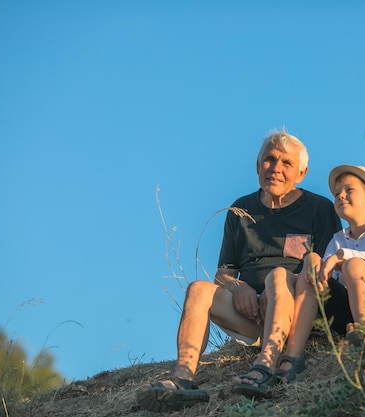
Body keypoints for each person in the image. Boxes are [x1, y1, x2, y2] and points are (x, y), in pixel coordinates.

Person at [136, 130, 341, 412]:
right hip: (252, 313)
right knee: (198, 290)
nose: (276, 169)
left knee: (278, 276)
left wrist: (280, 286)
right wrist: (238, 287)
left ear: (302, 173)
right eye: (269, 160)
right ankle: (183, 380)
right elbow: (224, 272)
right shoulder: (240, 210)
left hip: (295, 313)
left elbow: (327, 268)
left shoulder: (319, 208)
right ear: (258, 166)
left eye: (286, 164)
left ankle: (266, 366)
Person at [278, 165, 365, 366]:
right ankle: (294, 353)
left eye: (349, 190)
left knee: (354, 265)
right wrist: (318, 274)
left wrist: (341, 258)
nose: (341, 196)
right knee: (313, 263)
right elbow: (330, 278)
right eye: (336, 193)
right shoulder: (337, 239)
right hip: (348, 314)